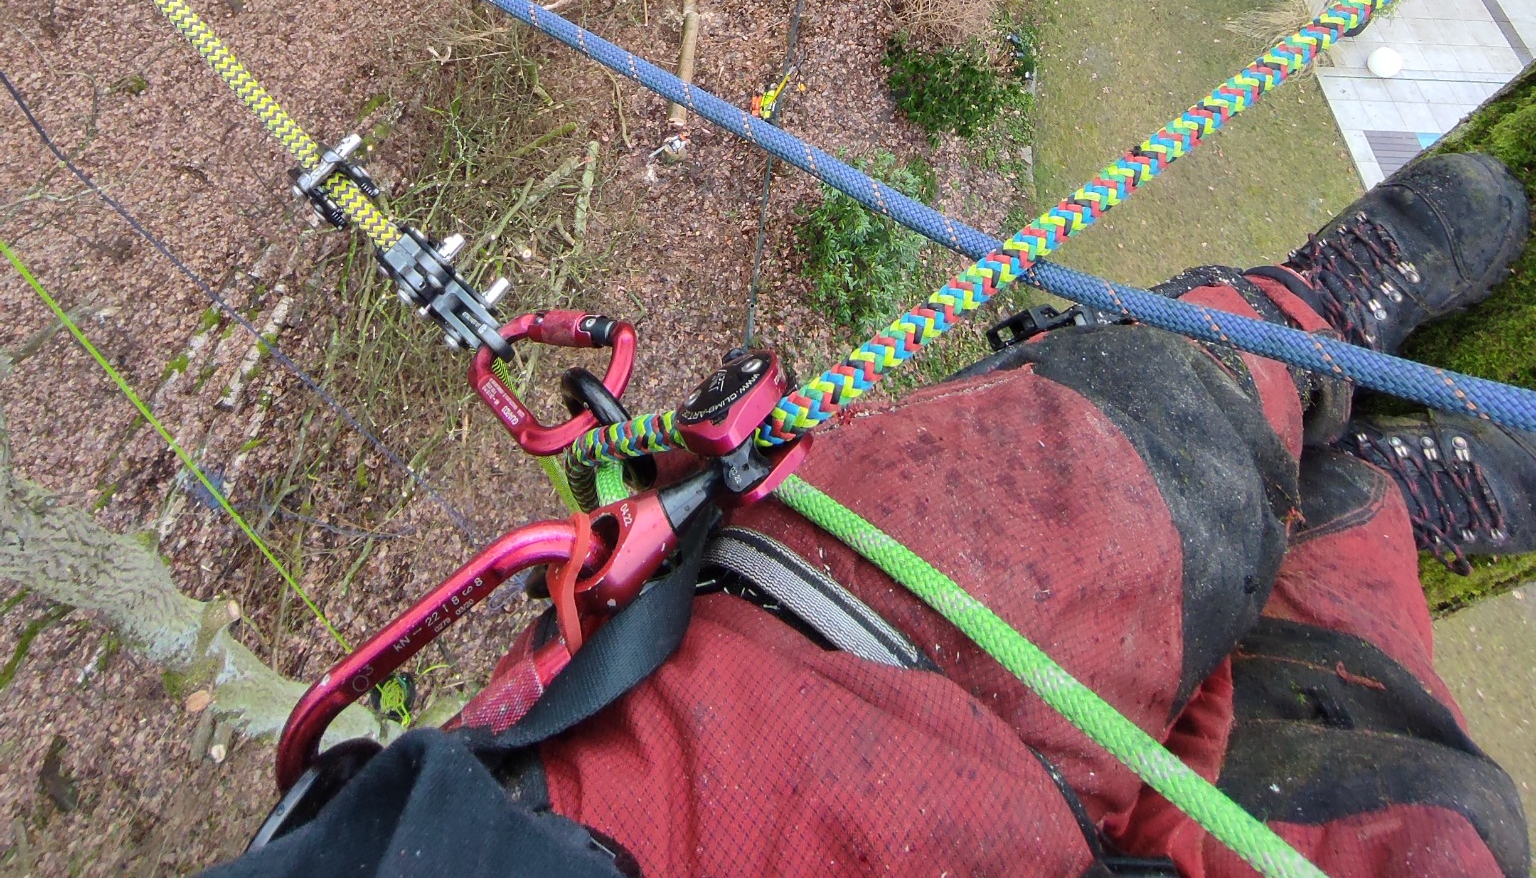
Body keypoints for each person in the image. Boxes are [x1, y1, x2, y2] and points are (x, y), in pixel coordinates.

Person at [213, 154, 1534, 878]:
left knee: (1138, 450)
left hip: (765, 740)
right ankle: (1355, 519)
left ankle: (1294, 337)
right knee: (1430, 827)